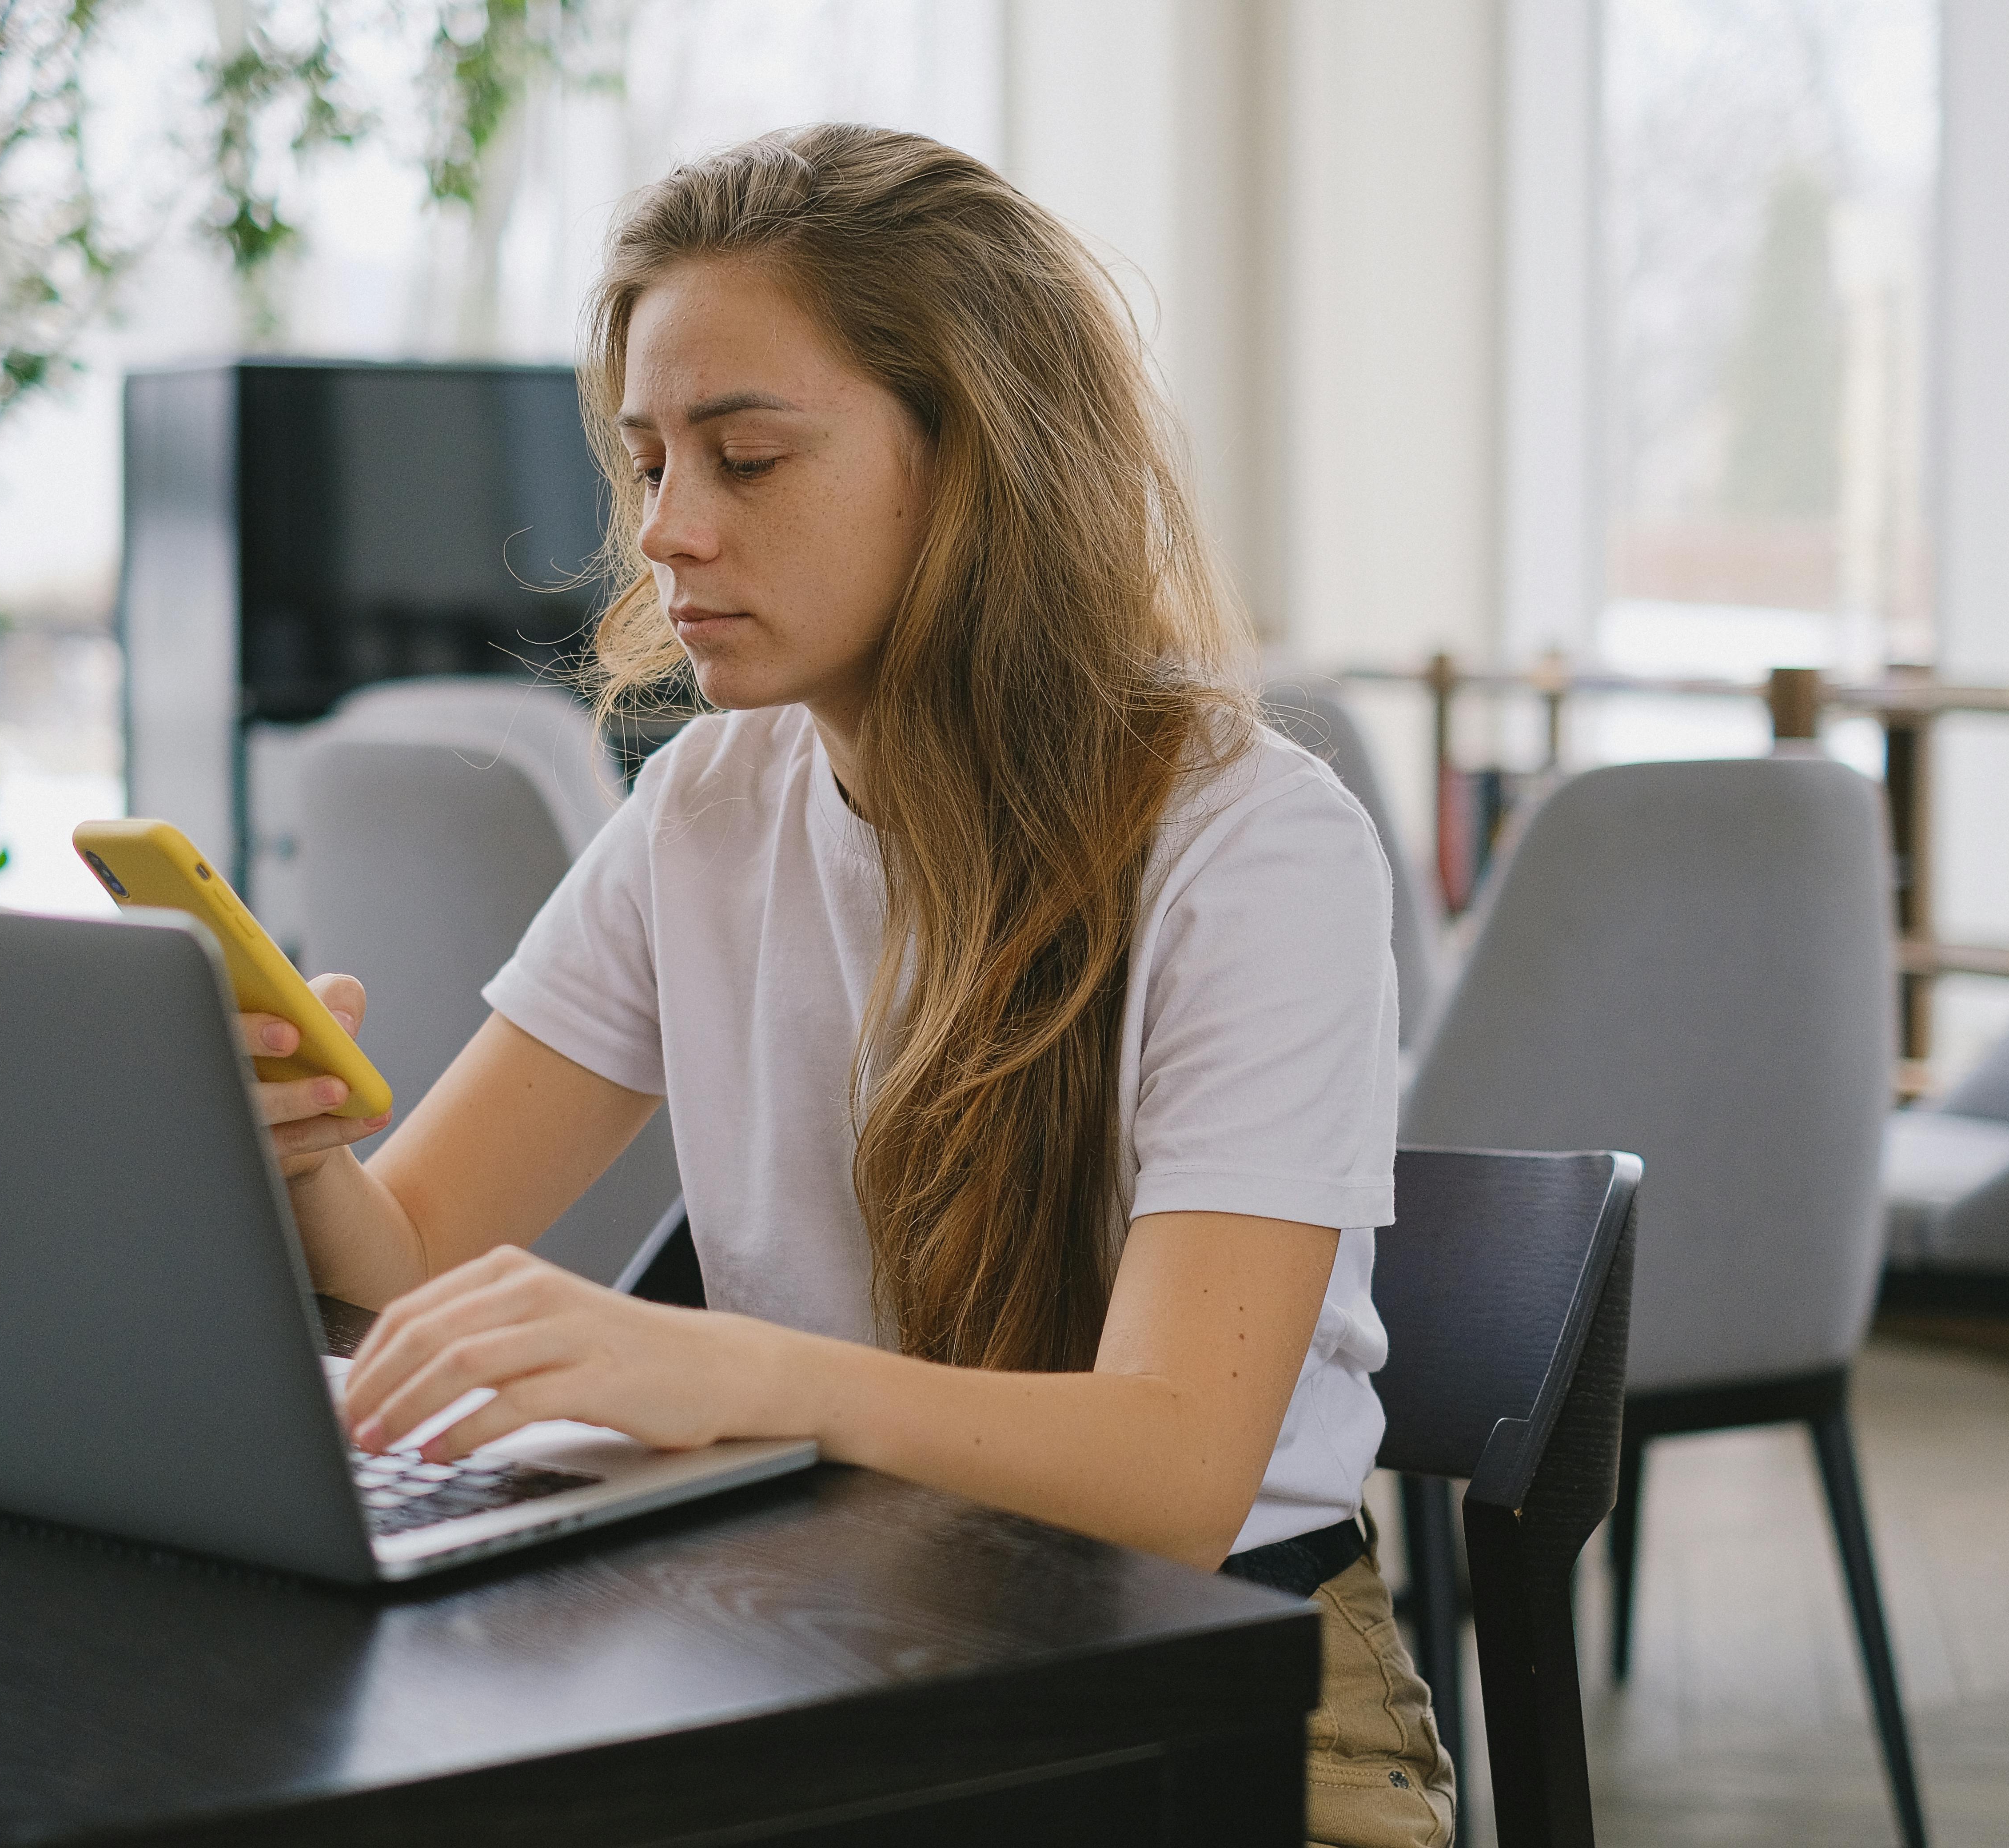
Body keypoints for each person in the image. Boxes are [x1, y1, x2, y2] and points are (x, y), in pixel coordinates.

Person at [249, 124, 1453, 1846]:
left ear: (975, 465)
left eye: (746, 456)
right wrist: (300, 1146)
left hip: (1236, 1698)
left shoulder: (1251, 844)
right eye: (652, 461)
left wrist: (730, 1370)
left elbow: (1178, 1473)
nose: (669, 530)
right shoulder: (710, 810)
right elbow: (407, 1252)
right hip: (838, 1642)